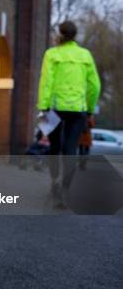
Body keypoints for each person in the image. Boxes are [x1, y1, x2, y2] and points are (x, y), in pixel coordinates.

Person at [37, 21, 101, 208]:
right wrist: (88, 108)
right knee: (70, 149)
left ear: (60, 34)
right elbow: (94, 86)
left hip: (55, 108)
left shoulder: (52, 54)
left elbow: (46, 82)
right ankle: (65, 189)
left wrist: (43, 106)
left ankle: (54, 181)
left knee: (54, 147)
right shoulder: (85, 55)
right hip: (78, 109)